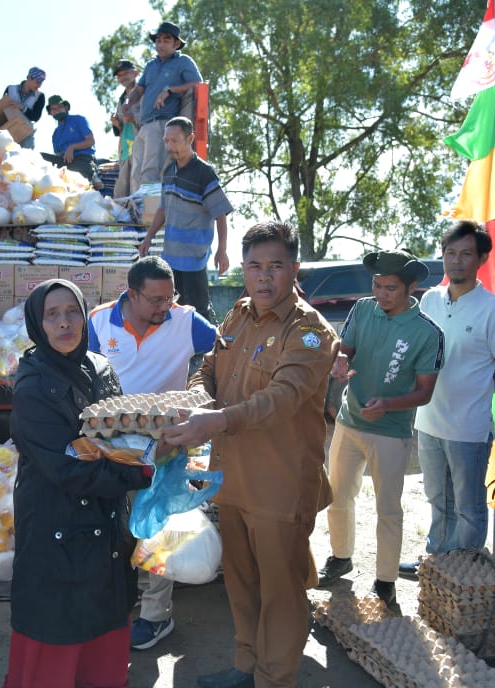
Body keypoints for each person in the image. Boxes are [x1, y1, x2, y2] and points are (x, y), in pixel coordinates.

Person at [160, 221, 337, 688]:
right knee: (240, 582)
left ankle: (274, 680)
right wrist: (197, 399)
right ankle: (246, 668)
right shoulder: (237, 314)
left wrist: (213, 421)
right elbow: (209, 369)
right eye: (255, 266)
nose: (264, 277)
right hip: (232, 478)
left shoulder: (311, 333)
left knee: (282, 592)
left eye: (275, 266)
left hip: (280, 486)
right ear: (243, 269)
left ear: (294, 268)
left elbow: (280, 398)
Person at [4, 279, 153, 688]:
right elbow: (65, 467)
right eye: (52, 315)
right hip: (56, 520)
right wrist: (137, 473)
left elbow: (121, 435)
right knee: (58, 625)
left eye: (72, 311)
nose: (64, 322)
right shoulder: (33, 385)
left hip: (104, 520)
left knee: (103, 617)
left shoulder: (99, 366)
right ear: (38, 322)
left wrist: (155, 449)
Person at [87, 256, 217, 651]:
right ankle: (124, 599)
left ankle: (156, 615)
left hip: (164, 444)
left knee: (156, 525)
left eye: (171, 296)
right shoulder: (99, 322)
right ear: (131, 294)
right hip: (113, 443)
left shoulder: (187, 322)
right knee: (118, 524)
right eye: (156, 299)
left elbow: (230, 346)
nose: (166, 306)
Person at [318, 250, 444, 606]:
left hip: (391, 431)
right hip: (349, 421)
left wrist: (388, 404)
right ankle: (341, 557)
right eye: (377, 285)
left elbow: (425, 391)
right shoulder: (361, 309)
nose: (382, 294)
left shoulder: (428, 333)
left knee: (388, 509)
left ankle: (385, 581)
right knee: (338, 496)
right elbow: (347, 350)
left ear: (411, 288)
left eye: (390, 288)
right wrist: (340, 359)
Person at [400, 220, 495, 577]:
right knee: (438, 499)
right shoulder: (429, 301)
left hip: (469, 427)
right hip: (429, 421)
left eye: (466, 253)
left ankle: (464, 570)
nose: (456, 261)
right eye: (450, 253)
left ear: (482, 258)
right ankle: (437, 560)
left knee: (468, 506)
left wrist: (475, 389)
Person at [138, 116, 232, 322]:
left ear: (190, 139)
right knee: (172, 310)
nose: (169, 146)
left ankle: (205, 352)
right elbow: (163, 209)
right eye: (166, 141)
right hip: (170, 256)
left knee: (199, 311)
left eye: (174, 141)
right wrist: (148, 238)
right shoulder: (169, 171)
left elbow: (220, 213)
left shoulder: (204, 173)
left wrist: (222, 250)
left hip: (195, 259)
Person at [123, 21, 202, 192]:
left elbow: (198, 84)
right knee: (136, 172)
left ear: (177, 44)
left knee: (151, 171)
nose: (160, 44)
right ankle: (139, 211)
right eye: (158, 40)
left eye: (166, 40)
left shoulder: (183, 61)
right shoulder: (151, 65)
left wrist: (170, 90)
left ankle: (150, 214)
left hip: (163, 123)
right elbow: (139, 89)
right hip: (143, 125)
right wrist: (128, 102)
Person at [41, 95, 97, 184]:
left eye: (59, 107)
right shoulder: (55, 134)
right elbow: (58, 155)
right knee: (40, 157)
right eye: (53, 109)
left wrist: (72, 147)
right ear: (50, 112)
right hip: (65, 163)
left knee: (76, 174)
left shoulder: (78, 120)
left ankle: (93, 180)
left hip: (83, 160)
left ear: (66, 107)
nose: (57, 111)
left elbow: (91, 141)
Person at [111, 59, 140, 198]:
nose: (123, 77)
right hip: (125, 151)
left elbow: (151, 117)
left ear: (136, 73)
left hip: (140, 149)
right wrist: (117, 123)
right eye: (120, 75)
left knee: (138, 190)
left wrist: (134, 118)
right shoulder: (121, 98)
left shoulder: (144, 93)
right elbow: (120, 129)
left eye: (126, 73)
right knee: (121, 193)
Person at [4, 67, 47, 149]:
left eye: (41, 83)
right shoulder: (10, 89)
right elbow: (1, 108)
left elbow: (36, 117)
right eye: (37, 82)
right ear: (30, 78)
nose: (39, 86)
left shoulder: (40, 96)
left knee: (26, 160)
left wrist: (22, 107)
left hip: (26, 137)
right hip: (8, 134)